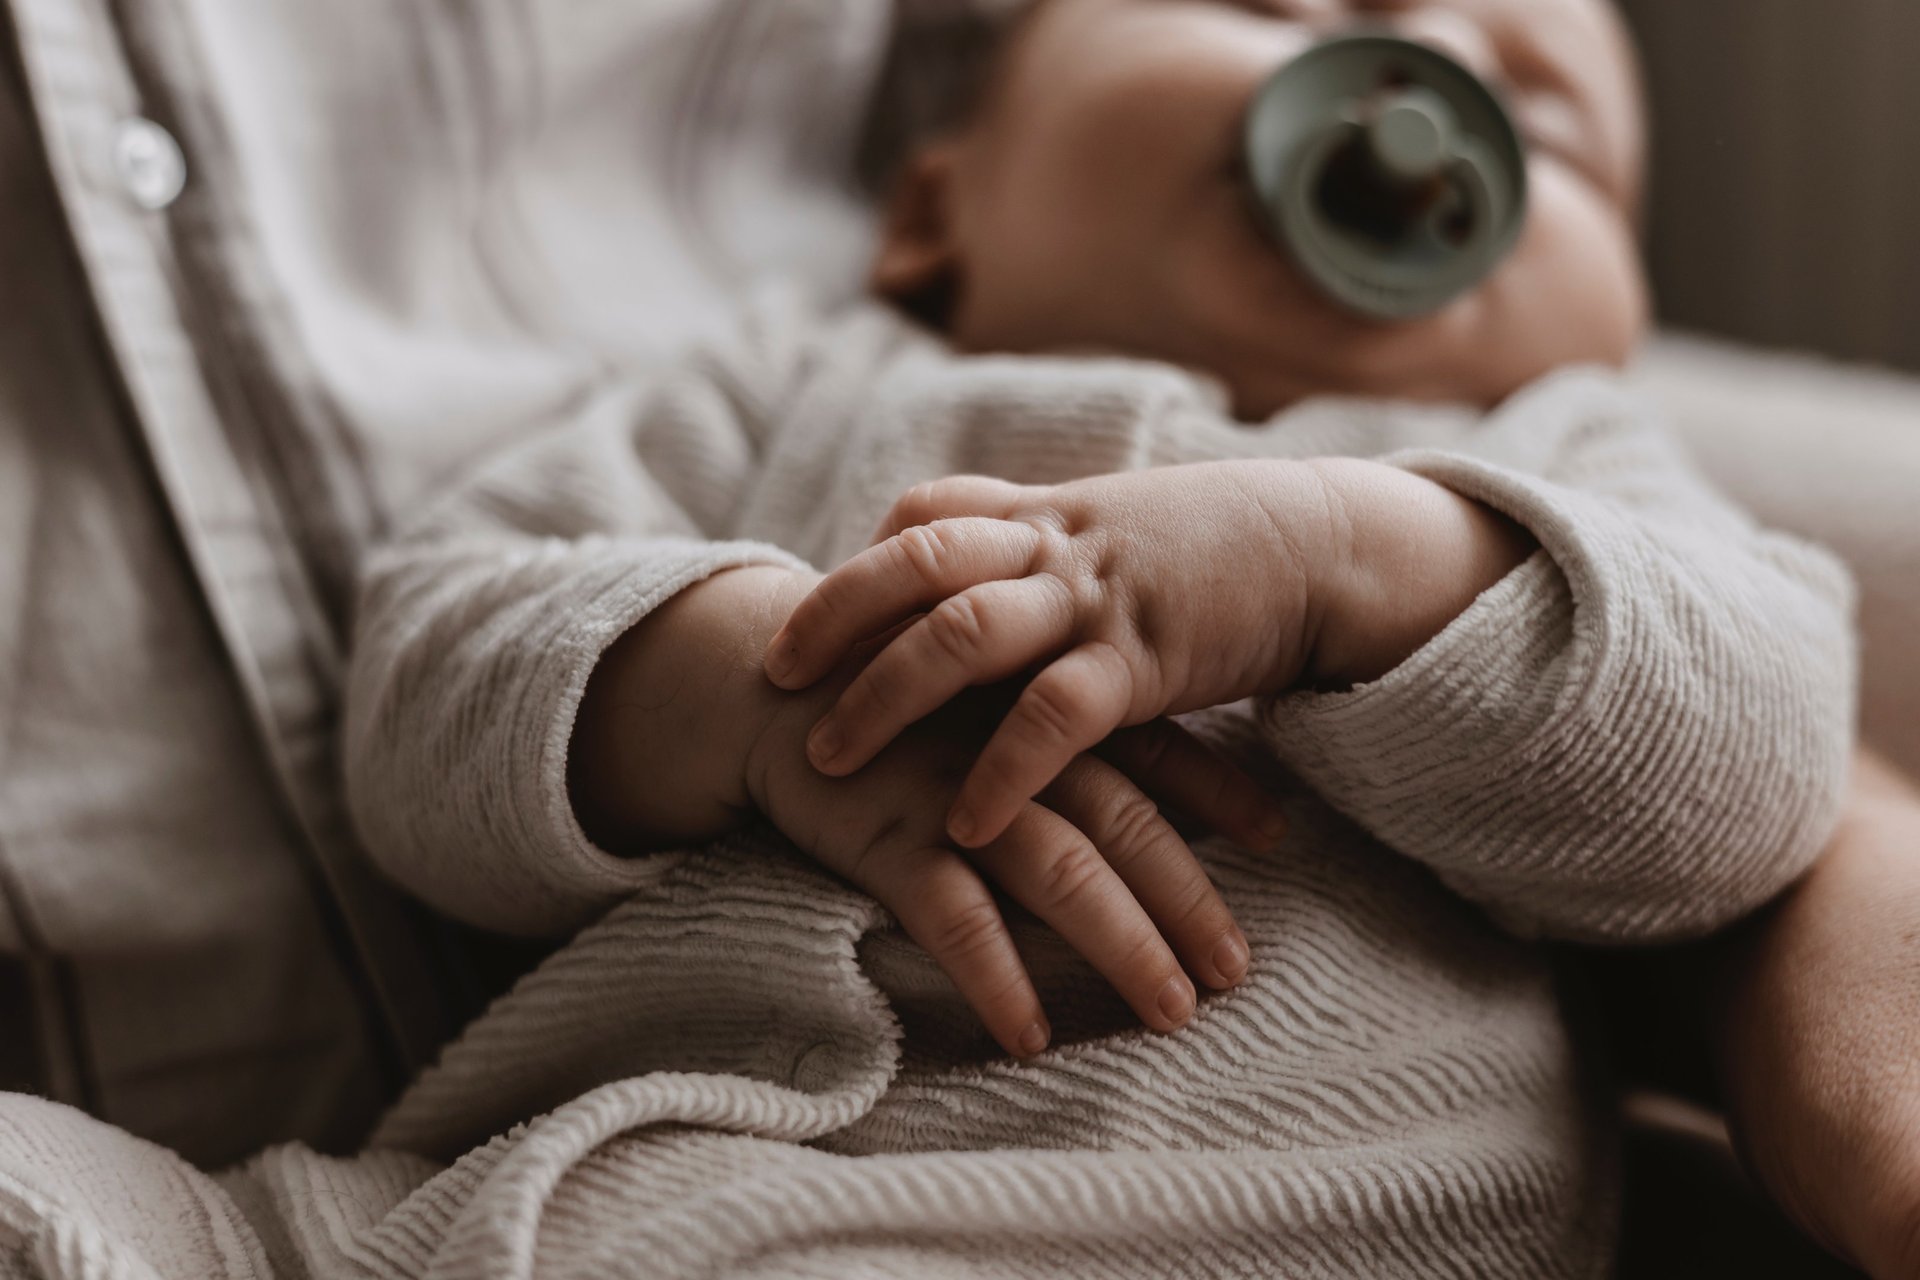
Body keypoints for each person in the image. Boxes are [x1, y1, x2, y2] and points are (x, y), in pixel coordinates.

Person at [0, 0, 1914, 1274]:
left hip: (1273, 1223)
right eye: (1267, 3)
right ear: (931, 209)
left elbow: (1738, 785)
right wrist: (746, 681)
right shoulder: (779, 390)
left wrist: (1353, 565)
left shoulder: (1562, 476)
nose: (1407, 67)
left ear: (1610, 319)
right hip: (572, 1183)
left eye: (1546, 126)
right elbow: (430, 676)